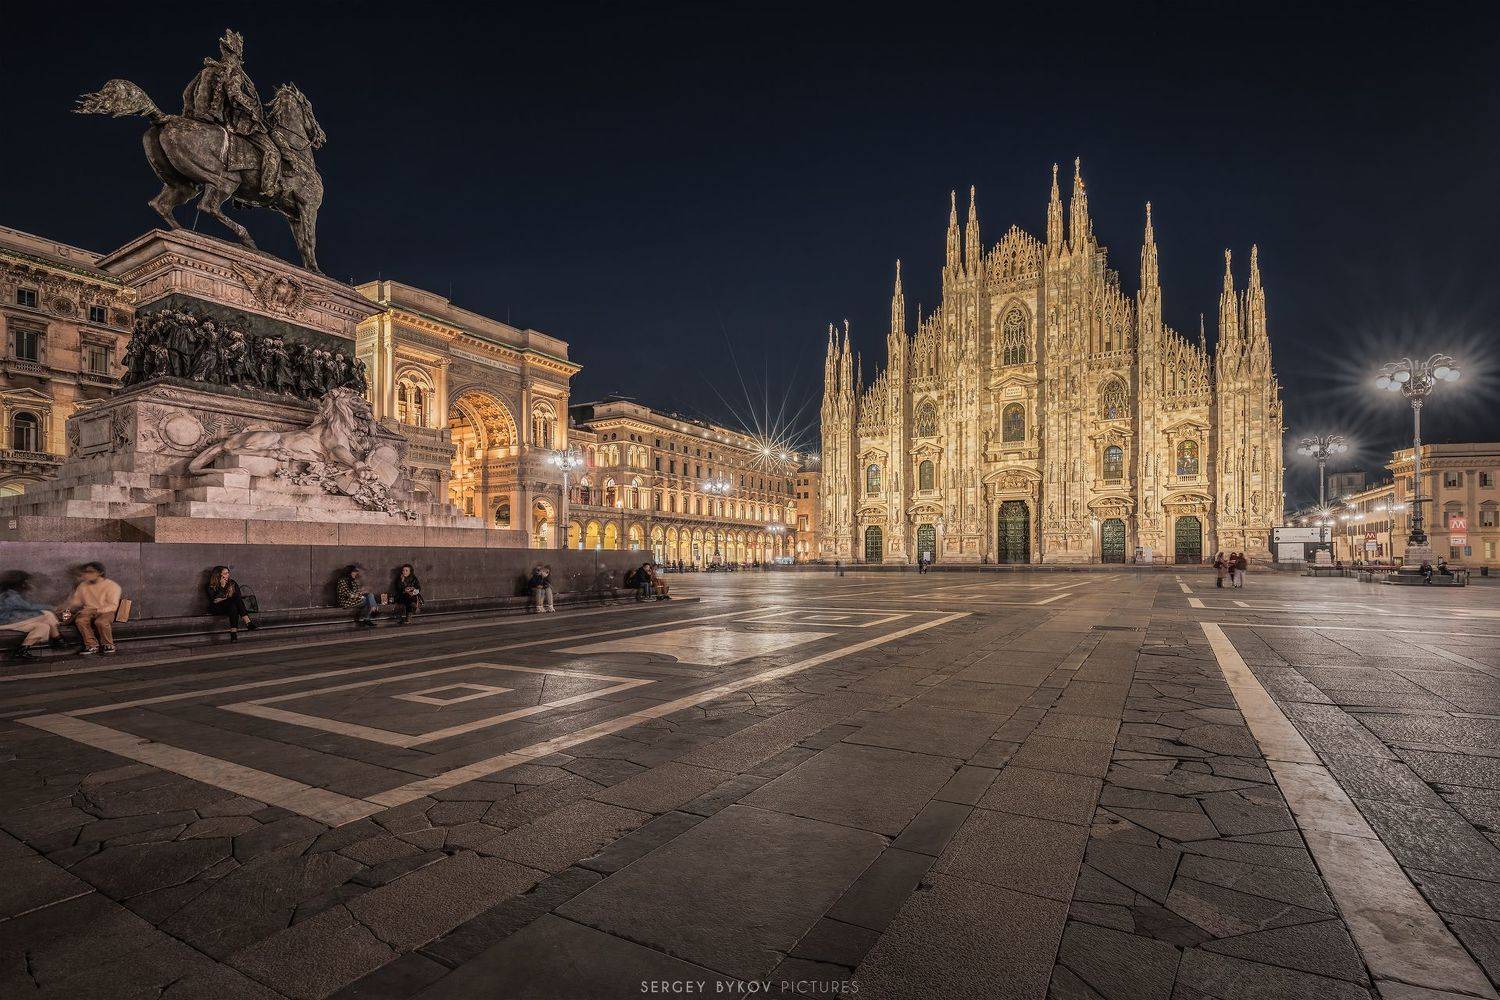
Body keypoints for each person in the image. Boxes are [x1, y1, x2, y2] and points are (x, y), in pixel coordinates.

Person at [62, 562, 122, 655]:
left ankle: (108, 644)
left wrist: (96, 610)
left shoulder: (112, 586)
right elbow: (76, 601)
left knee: (101, 622)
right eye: (85, 572)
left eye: (90, 572)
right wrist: (67, 606)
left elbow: (113, 606)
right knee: (80, 620)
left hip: (106, 611)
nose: (86, 574)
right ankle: (91, 645)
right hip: (88, 611)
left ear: (100, 573)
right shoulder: (83, 586)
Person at [1, 571, 61, 661]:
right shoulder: (9, 595)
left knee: (43, 627)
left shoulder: (16, 594)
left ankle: (21, 651)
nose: (29, 583)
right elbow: (29, 606)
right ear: (20, 583)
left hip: (13, 621)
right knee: (47, 614)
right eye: (27, 582)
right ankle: (58, 639)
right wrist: (54, 608)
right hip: (4, 622)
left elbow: (27, 606)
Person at [206, 565, 257, 642]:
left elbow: (238, 596)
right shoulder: (210, 585)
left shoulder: (232, 583)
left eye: (228, 572)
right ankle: (248, 622)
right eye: (225, 573)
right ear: (219, 575)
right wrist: (222, 586)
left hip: (230, 607)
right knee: (234, 601)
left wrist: (225, 598)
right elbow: (214, 600)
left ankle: (234, 634)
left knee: (233, 606)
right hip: (217, 608)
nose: (228, 575)